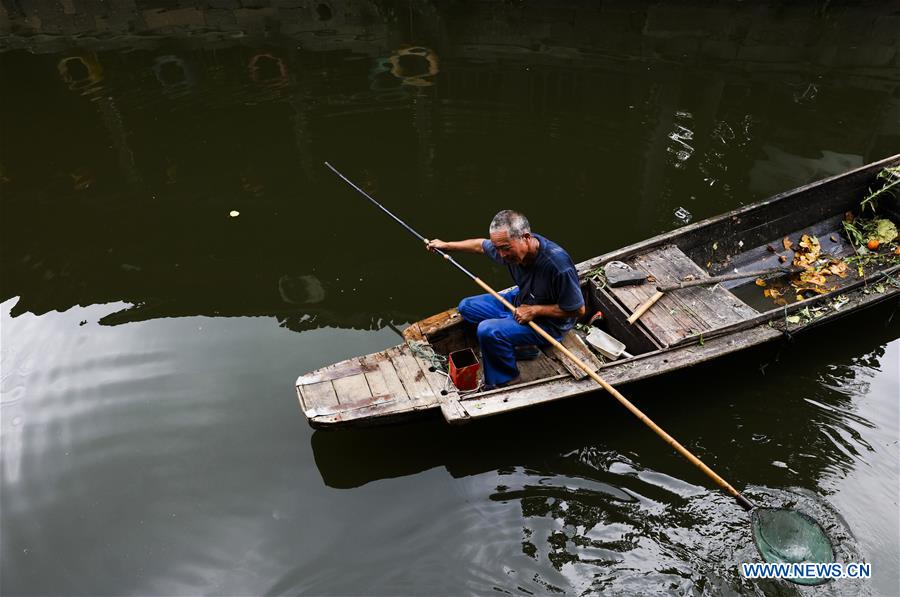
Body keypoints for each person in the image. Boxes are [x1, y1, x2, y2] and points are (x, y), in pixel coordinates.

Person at [426, 210, 585, 389]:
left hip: (549, 323)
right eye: (498, 248)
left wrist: (535, 311)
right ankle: (523, 347)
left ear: (525, 237)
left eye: (505, 248)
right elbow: (480, 245)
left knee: (488, 330)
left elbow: (578, 310)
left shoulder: (558, 266)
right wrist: (446, 245)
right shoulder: (510, 250)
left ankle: (505, 379)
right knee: (467, 307)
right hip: (521, 300)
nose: (501, 255)